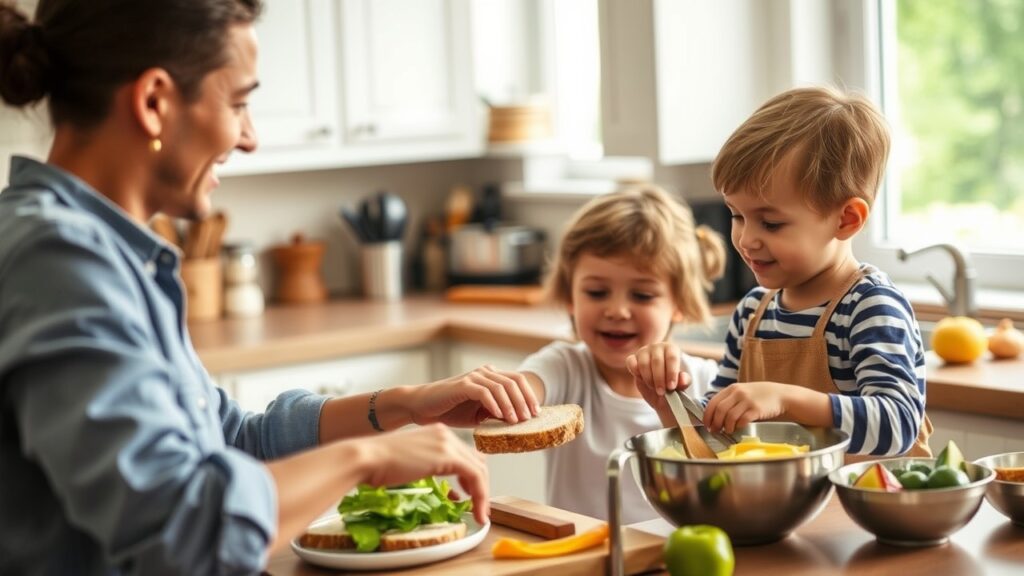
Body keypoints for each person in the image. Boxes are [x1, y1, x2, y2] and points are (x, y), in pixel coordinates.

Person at [0, 2, 537, 574]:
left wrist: (404, 406)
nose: (250, 137)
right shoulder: (60, 261)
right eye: (238, 103)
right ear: (154, 102)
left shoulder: (108, 251)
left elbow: (230, 442)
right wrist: (368, 459)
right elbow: (181, 528)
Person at [628, 86, 933, 459]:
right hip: (789, 511)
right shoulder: (752, 313)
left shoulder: (869, 307)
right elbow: (717, 438)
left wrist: (784, 398)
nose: (746, 239)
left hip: (871, 513)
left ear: (846, 219)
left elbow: (899, 423)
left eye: (770, 223)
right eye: (737, 215)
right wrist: (669, 403)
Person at [486, 186, 727, 524]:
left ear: (679, 305)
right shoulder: (564, 367)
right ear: (570, 297)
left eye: (642, 295)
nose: (617, 310)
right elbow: (524, 391)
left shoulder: (706, 379)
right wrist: (501, 394)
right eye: (597, 292)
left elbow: (724, 479)